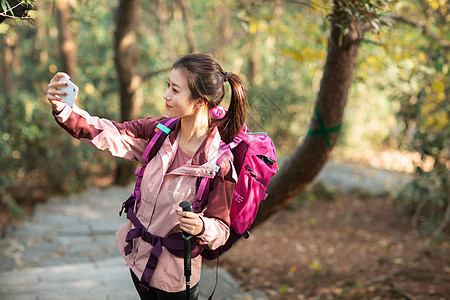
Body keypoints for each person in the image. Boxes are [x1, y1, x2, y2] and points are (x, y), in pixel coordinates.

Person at [46, 53, 247, 300]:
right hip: (138, 262)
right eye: (168, 85)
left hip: (175, 279)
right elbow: (107, 132)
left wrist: (201, 226)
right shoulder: (158, 133)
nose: (166, 95)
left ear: (200, 102)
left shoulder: (219, 163)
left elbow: (221, 228)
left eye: (175, 89)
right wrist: (65, 109)